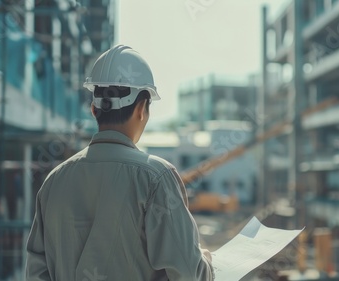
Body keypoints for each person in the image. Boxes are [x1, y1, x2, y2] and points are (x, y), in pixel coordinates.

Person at [26, 45, 214, 281]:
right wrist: (205, 263)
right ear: (140, 109)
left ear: (94, 109)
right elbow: (189, 275)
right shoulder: (156, 178)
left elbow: (35, 274)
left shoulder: (54, 182)